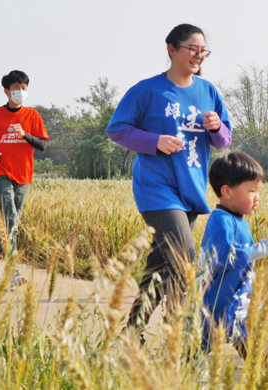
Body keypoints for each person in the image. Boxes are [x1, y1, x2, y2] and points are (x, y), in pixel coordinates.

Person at [105, 24, 232, 334]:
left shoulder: (208, 91)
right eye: (192, 48)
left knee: (161, 264)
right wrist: (154, 141)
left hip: (191, 188)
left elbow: (224, 141)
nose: (199, 55)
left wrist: (216, 127)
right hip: (156, 188)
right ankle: (181, 331)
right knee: (184, 255)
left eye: (203, 50)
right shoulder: (147, 91)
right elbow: (117, 130)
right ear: (171, 49)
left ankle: (131, 332)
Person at [0, 70, 49, 272]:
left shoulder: (33, 115)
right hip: (1, 172)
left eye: (24, 88)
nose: (21, 92)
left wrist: (24, 135)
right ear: (7, 91)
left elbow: (42, 145)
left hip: (24, 174)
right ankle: (13, 271)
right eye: (16, 88)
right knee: (11, 218)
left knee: (11, 221)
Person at [199, 152, 268, 357]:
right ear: (227, 192)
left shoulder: (240, 221)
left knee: (257, 354)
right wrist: (260, 249)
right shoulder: (220, 221)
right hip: (218, 302)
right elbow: (229, 256)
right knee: (192, 354)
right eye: (252, 190)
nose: (257, 197)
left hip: (237, 302)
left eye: (259, 191)